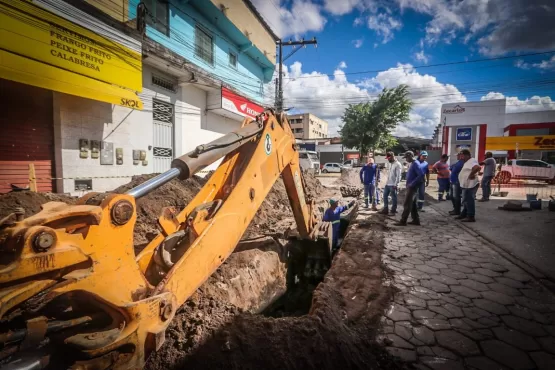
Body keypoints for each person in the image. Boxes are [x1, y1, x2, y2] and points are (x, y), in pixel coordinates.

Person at [395, 151, 425, 226]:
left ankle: (403, 221)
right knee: (413, 205)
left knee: (407, 204)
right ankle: (416, 220)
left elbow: (421, 175)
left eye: (406, 158)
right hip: (411, 186)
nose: (406, 160)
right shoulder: (413, 163)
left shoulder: (416, 164)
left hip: (412, 187)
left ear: (410, 156)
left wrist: (412, 184)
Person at [457, 149, 481, 222]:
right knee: (465, 200)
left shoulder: (472, 160)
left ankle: (470, 216)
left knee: (469, 200)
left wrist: (471, 174)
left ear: (467, 155)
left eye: (462, 156)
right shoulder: (467, 162)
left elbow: (477, 167)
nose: (461, 157)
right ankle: (464, 214)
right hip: (466, 185)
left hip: (470, 184)